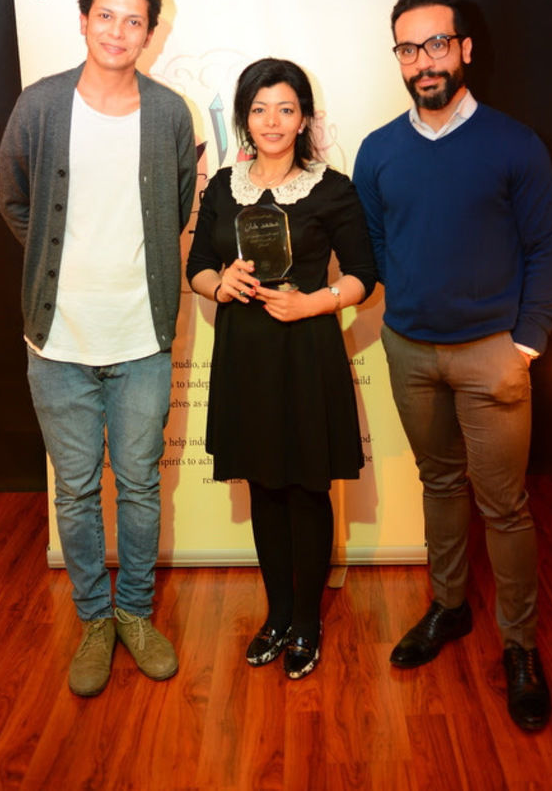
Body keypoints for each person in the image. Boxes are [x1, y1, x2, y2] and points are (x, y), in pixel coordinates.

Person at [353, 0, 552, 732]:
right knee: (439, 484)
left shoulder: (515, 144)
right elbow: (376, 245)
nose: (425, 61)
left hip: (491, 356)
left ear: (465, 49)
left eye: (437, 44)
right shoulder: (378, 150)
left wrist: (526, 343)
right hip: (408, 350)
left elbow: (547, 248)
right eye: (409, 49)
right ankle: (449, 607)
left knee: (503, 506)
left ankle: (520, 645)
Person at [0, 0, 196, 697]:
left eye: (133, 20)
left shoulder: (170, 113)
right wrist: (59, 266)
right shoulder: (40, 105)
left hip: (142, 338)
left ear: (150, 33)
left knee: (139, 487)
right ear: (83, 21)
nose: (118, 31)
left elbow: (179, 205)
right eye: (105, 16)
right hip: (58, 342)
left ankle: (134, 614)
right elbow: (13, 197)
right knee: (76, 491)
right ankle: (93, 620)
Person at [187, 57, 376, 679]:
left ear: (303, 119)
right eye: (260, 109)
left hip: (306, 353)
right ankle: (278, 615)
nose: (272, 121)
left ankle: (307, 622)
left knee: (306, 488)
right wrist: (221, 284)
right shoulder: (223, 186)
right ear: (245, 118)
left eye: (285, 109)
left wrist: (313, 303)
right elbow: (197, 268)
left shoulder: (331, 188)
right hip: (244, 355)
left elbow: (363, 275)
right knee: (264, 487)